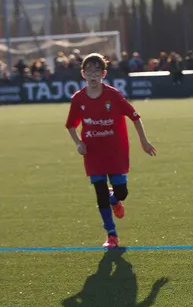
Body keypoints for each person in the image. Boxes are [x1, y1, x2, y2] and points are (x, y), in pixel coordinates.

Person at [65, 53, 157, 248]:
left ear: (104, 74)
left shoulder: (113, 95)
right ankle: (111, 235)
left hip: (115, 152)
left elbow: (135, 116)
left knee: (122, 192)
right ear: (83, 74)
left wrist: (144, 141)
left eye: (97, 71)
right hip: (93, 154)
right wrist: (78, 143)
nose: (93, 75)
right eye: (89, 71)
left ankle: (115, 199)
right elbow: (71, 125)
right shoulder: (78, 99)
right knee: (100, 194)